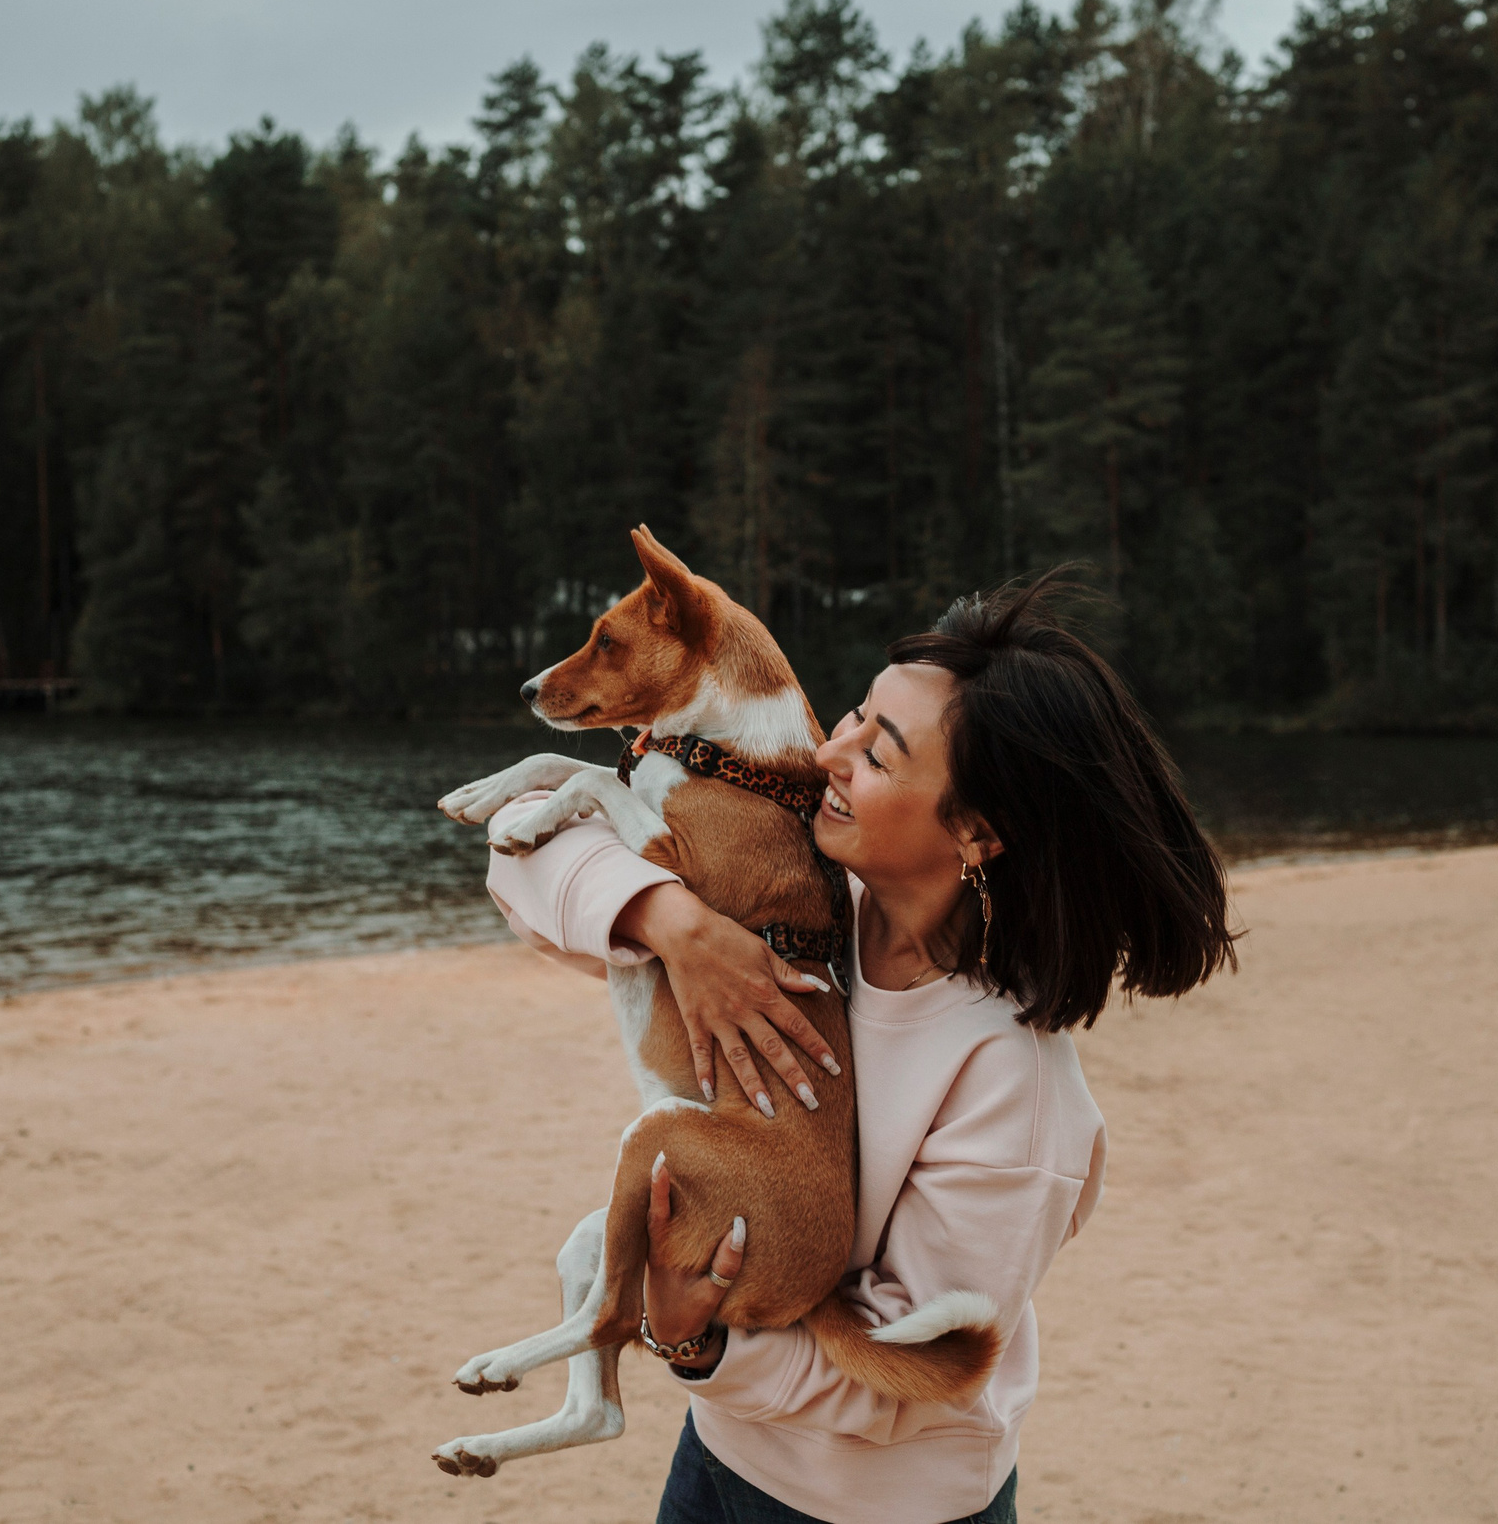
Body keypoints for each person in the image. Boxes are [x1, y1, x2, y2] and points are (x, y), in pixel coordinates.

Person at [483, 577, 1239, 1524]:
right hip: (719, 1457)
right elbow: (516, 864)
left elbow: (904, 1381)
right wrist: (672, 922)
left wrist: (697, 1345)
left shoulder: (1012, 1082)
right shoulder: (811, 903)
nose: (829, 749)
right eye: (852, 713)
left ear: (976, 831)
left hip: (877, 1506)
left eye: (878, 751)